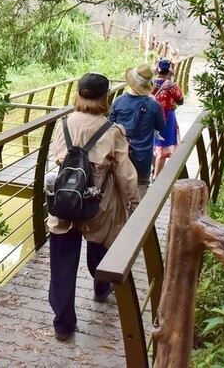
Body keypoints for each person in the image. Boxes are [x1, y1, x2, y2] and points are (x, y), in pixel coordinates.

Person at [48, 72, 139, 341]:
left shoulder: (62, 125)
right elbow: (126, 175)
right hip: (98, 204)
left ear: (78, 94)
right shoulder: (112, 131)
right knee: (100, 248)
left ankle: (63, 325)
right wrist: (135, 203)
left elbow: (58, 160)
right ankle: (101, 286)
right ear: (106, 98)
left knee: (62, 263)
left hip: (65, 202)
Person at [109, 63, 166, 198]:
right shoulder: (154, 105)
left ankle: (121, 216)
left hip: (120, 153)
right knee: (141, 184)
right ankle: (137, 215)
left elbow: (109, 125)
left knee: (118, 185)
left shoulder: (119, 101)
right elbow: (161, 126)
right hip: (143, 156)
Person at [152, 58, 184, 177]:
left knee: (154, 144)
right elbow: (180, 101)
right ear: (169, 70)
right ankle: (157, 177)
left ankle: (153, 170)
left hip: (151, 118)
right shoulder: (172, 86)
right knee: (163, 147)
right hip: (166, 119)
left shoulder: (150, 83)